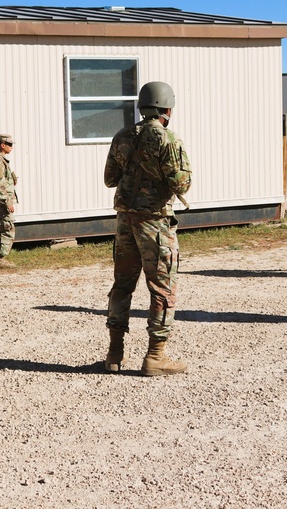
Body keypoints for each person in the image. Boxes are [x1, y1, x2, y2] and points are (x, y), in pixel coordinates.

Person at [103, 81, 192, 376]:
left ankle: (114, 354)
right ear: (166, 108)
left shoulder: (122, 136)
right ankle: (156, 356)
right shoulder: (169, 139)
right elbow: (182, 184)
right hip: (155, 222)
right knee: (162, 288)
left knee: (122, 285)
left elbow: (110, 179)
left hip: (125, 220)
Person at [0, 134, 18, 268]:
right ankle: (1, 259)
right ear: (2, 145)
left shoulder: (2, 160)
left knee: (1, 227)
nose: (11, 147)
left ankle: (0, 258)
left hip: (0, 199)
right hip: (1, 201)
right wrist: (7, 201)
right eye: (9, 144)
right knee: (7, 227)